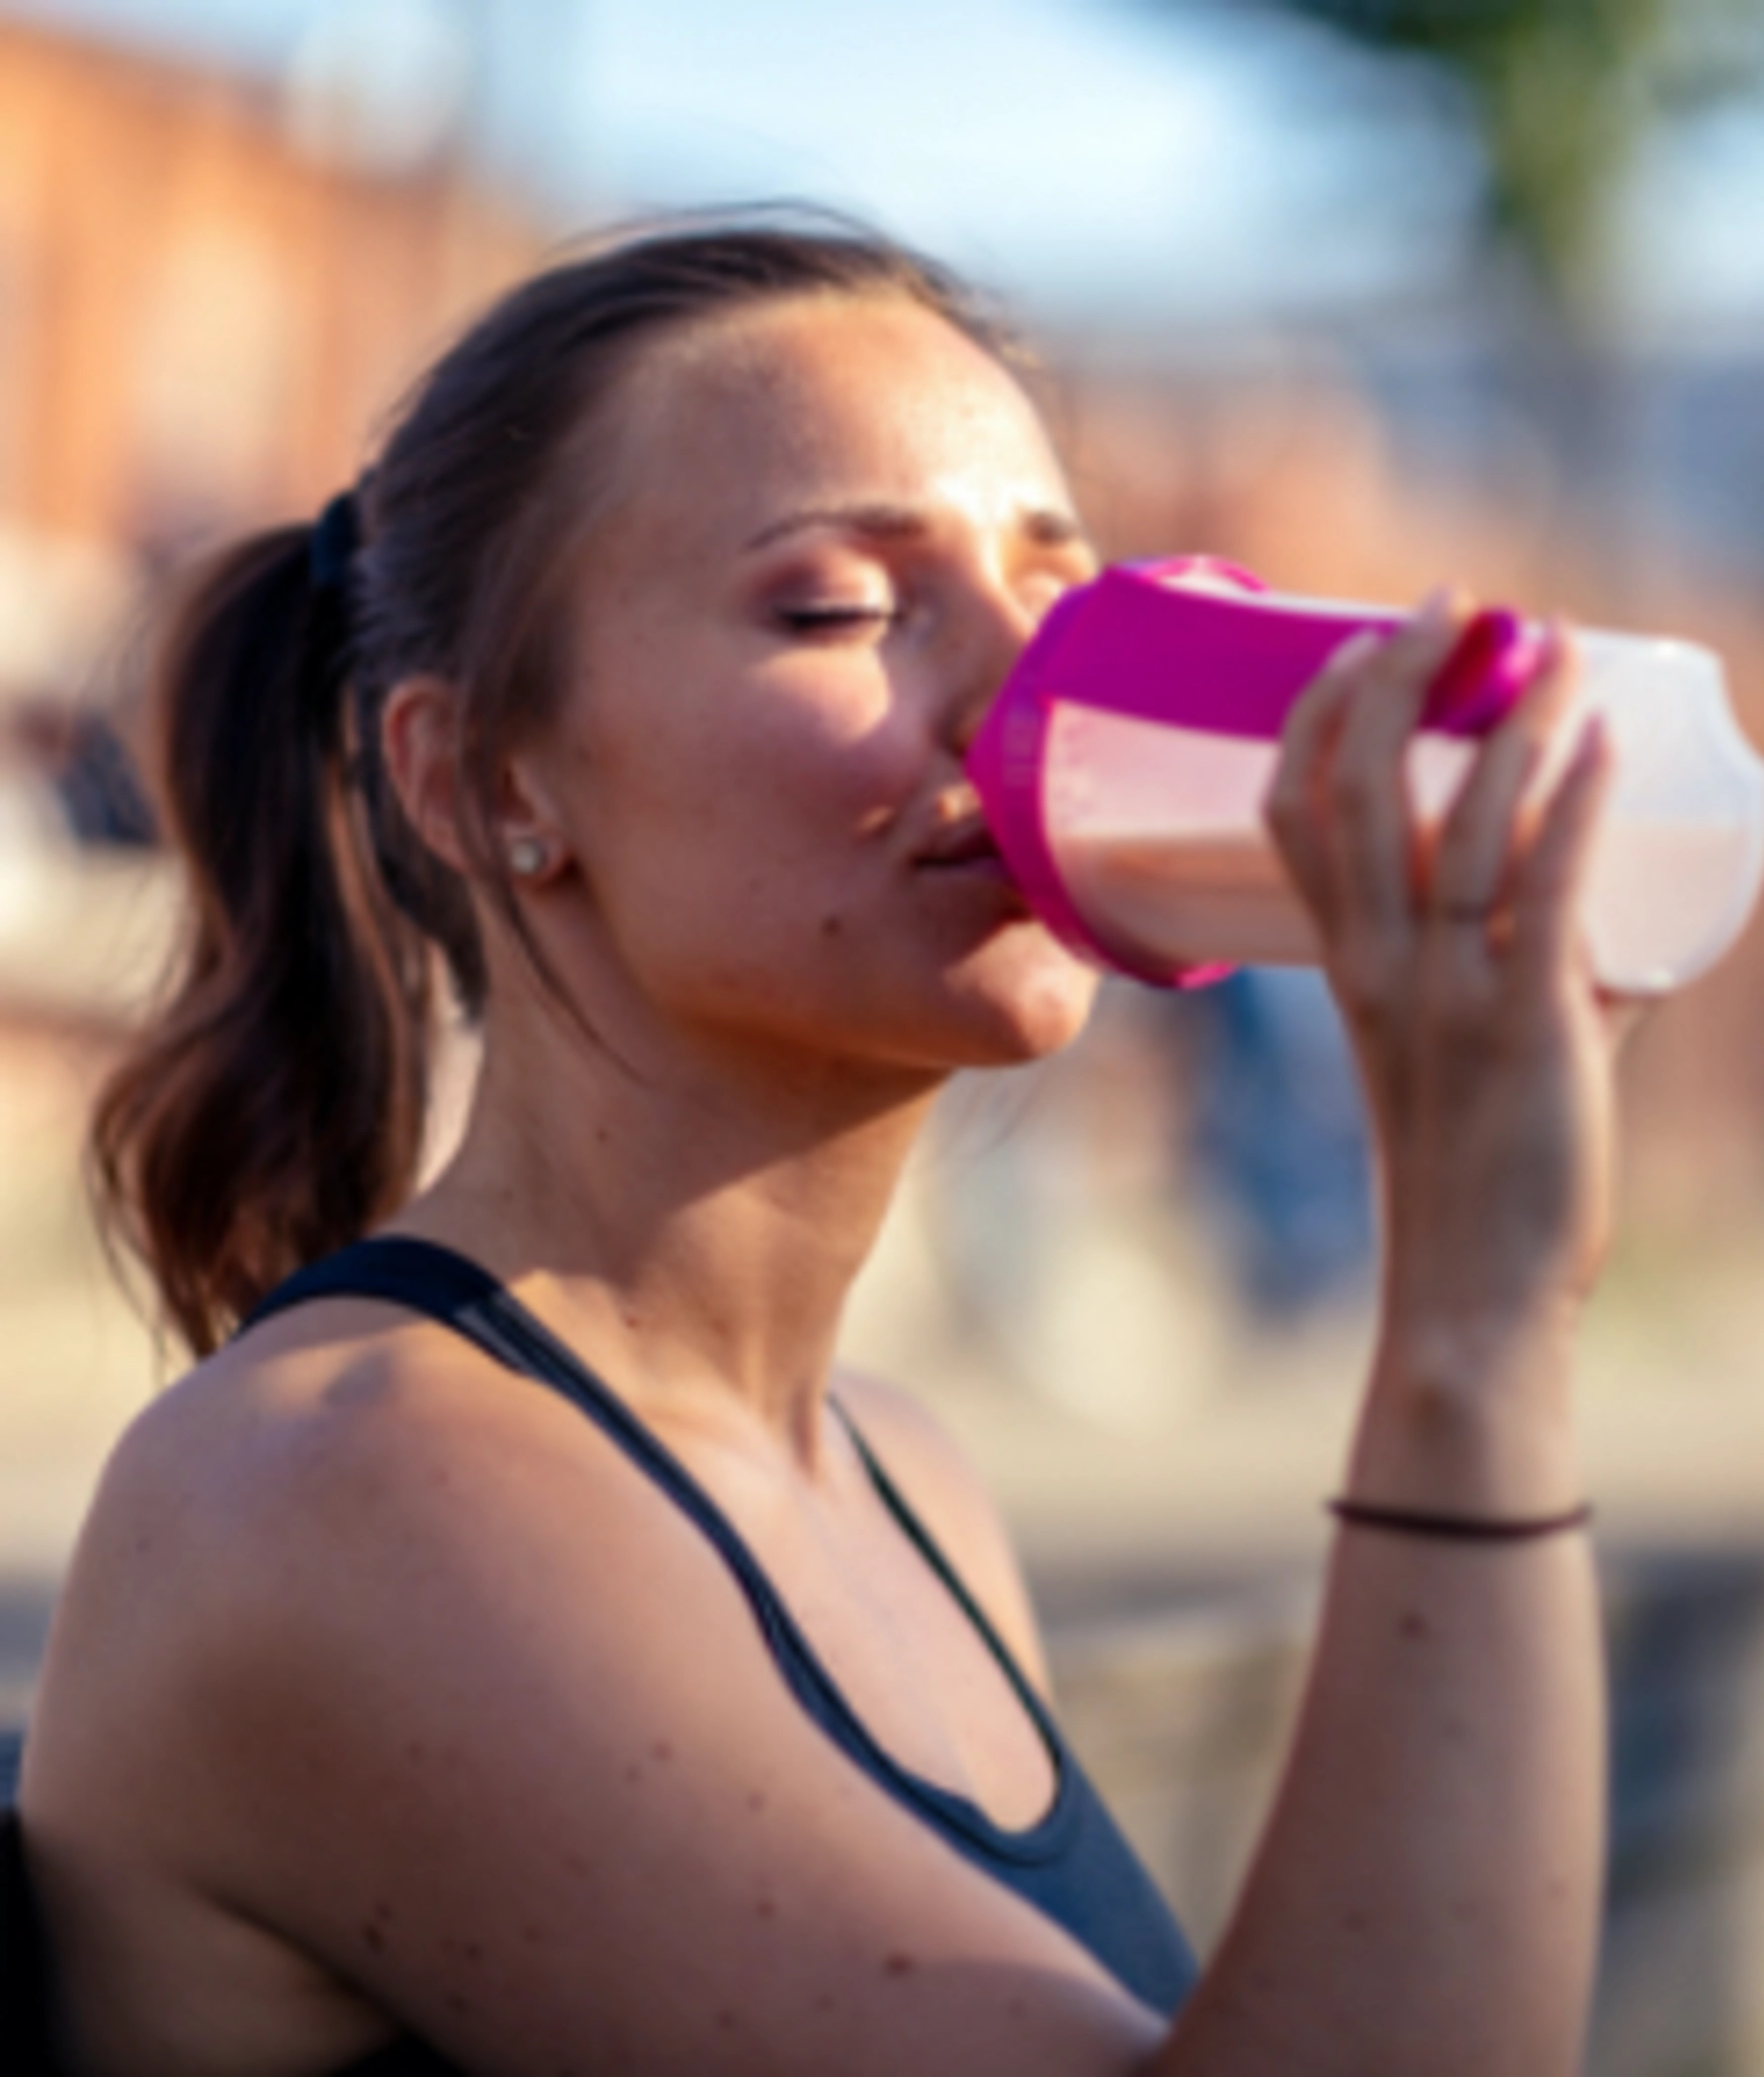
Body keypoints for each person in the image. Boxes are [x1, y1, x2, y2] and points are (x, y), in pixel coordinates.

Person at [8, 220, 1627, 2073]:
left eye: (1067, 597)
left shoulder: (904, 1486)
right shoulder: (334, 1492)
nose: (1037, 695)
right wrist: (1475, 1338)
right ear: (484, 781)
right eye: (845, 608)